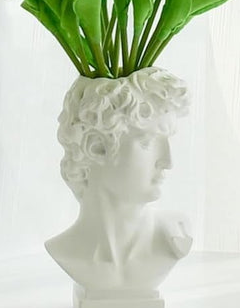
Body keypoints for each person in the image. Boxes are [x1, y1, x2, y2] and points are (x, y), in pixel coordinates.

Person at [45, 68, 192, 294]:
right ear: (96, 146)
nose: (167, 161)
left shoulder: (173, 238)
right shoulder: (64, 250)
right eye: (147, 141)